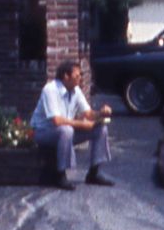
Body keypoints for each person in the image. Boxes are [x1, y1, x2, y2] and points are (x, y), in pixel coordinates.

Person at [30, 58, 115, 189]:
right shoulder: (50, 89)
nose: (80, 78)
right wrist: (82, 124)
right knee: (66, 130)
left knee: (100, 129)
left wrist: (101, 113)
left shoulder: (75, 90)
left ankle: (93, 173)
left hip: (64, 132)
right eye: (77, 75)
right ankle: (60, 175)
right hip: (43, 133)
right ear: (66, 76)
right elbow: (57, 121)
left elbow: (88, 113)